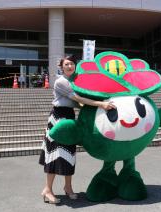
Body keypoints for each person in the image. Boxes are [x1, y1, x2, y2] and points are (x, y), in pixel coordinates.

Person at [39, 55, 115, 204]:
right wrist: (101, 104)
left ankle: (68, 187)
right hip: (58, 118)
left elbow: (81, 99)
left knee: (69, 153)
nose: (69, 66)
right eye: (66, 64)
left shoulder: (74, 80)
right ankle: (48, 189)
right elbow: (78, 99)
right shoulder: (61, 81)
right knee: (54, 154)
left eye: (72, 64)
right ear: (62, 66)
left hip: (69, 116)